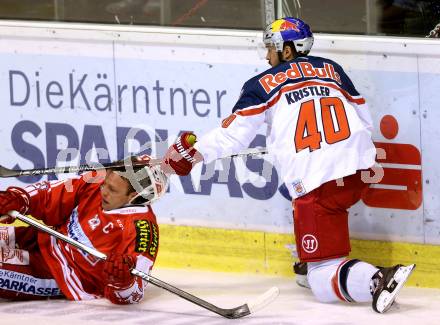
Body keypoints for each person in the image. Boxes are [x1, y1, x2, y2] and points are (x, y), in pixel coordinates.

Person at [160, 17, 415, 313]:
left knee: (322, 280)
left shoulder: (260, 86)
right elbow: (364, 121)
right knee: (321, 223)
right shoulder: (333, 70)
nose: (267, 56)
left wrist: (191, 155)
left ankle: (375, 278)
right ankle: (310, 258)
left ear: (289, 50)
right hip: (359, 172)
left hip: (320, 183)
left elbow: (232, 137)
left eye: (271, 48)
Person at [0, 155, 167, 304]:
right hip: (43, 239)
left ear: (133, 196)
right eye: (105, 184)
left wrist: (123, 280)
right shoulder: (96, 182)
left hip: (61, 273)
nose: (104, 192)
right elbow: (50, 195)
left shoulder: (143, 229)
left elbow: (134, 292)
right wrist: (20, 200)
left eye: (113, 190)